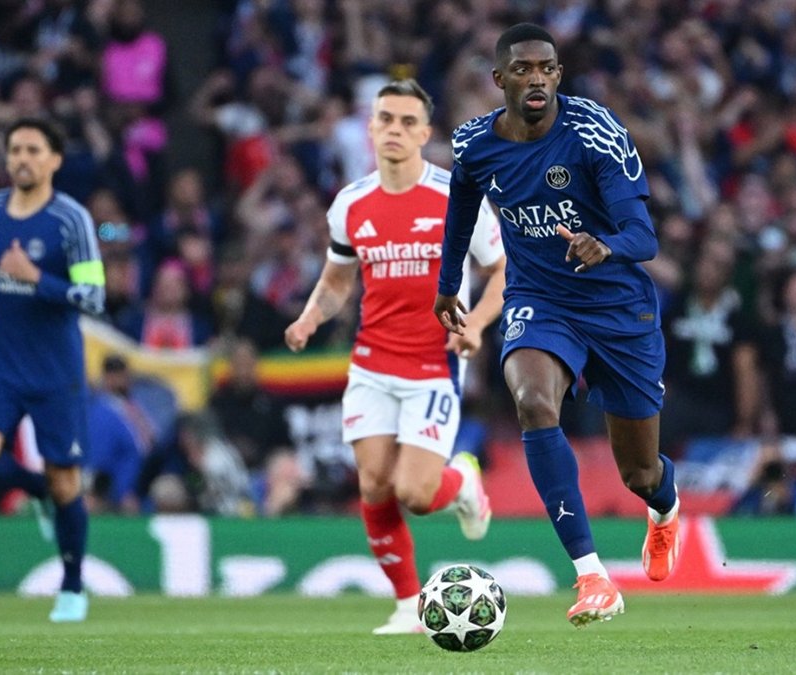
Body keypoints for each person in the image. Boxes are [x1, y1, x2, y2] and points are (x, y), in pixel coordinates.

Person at [434, 23, 680, 628]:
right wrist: (448, 284)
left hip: (618, 309)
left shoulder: (595, 131)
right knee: (533, 402)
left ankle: (664, 508)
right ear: (500, 79)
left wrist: (605, 245)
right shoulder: (474, 144)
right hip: (539, 299)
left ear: (559, 75)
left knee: (639, 473)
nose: (537, 78)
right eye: (523, 69)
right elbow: (461, 207)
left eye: (546, 68)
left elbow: (644, 236)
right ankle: (592, 576)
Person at [284, 78, 506, 635]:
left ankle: (463, 482)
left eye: (408, 122)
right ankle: (408, 605)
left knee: (416, 493)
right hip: (371, 364)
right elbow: (337, 280)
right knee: (374, 485)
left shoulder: (457, 198)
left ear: (425, 134)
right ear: (370, 127)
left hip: (433, 365)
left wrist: (477, 325)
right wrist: (310, 317)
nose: (395, 130)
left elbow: (505, 270)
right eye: (385, 119)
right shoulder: (350, 204)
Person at [0, 118, 105, 623]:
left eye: (33, 150)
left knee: (67, 484)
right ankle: (34, 487)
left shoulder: (71, 220)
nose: (22, 158)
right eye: (15, 149)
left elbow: (94, 296)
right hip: (1, 365)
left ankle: (72, 587)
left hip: (56, 373)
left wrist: (37, 277)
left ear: (54, 160)